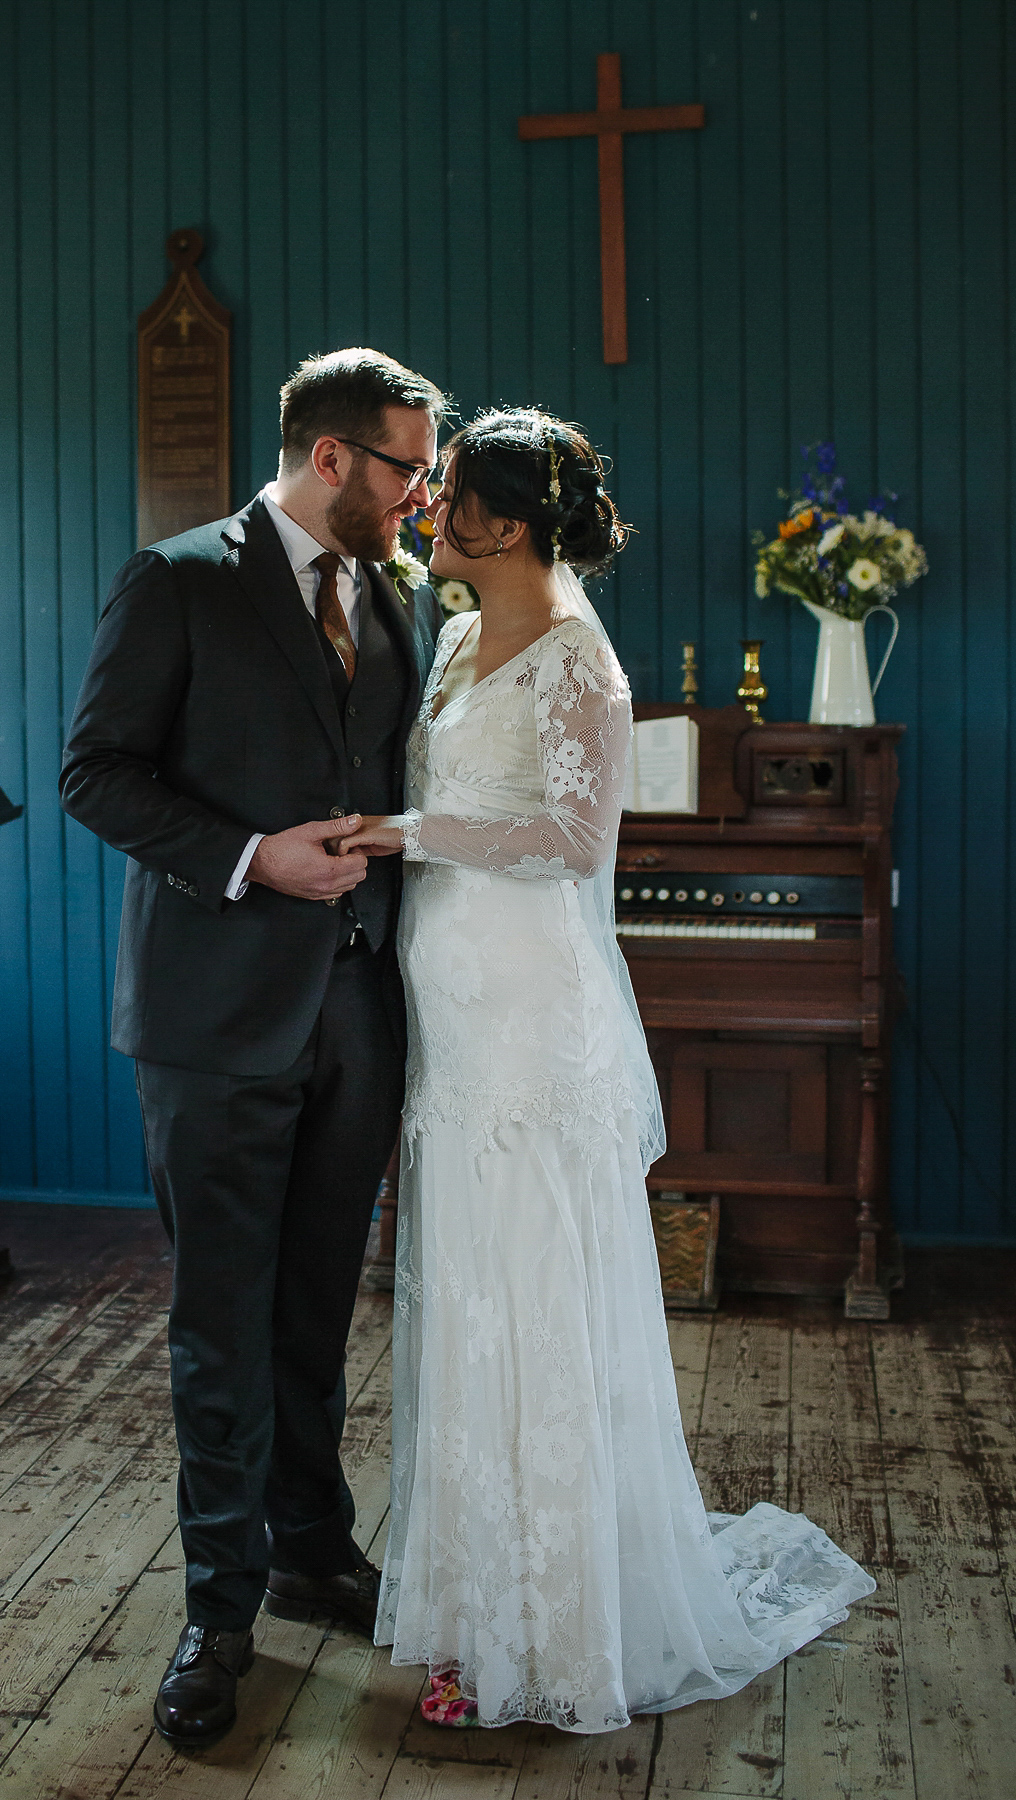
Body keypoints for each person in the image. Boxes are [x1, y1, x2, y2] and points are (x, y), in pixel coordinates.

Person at [339, 410, 875, 1734]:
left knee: (538, 1310)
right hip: (450, 1015)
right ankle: (480, 1608)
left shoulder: (581, 661)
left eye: (450, 494)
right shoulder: (458, 636)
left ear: (506, 525)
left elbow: (574, 842)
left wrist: (405, 830)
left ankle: (560, 1640)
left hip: (531, 1013)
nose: (430, 509)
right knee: (471, 1302)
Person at [59, 349, 446, 1750]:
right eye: (408, 468)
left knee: (315, 1310)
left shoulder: (391, 597)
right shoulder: (180, 580)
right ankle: (219, 1611)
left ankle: (310, 1547)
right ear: (332, 458)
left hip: (357, 1015)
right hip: (213, 1025)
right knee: (219, 1327)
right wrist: (247, 858)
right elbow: (94, 773)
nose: (424, 495)